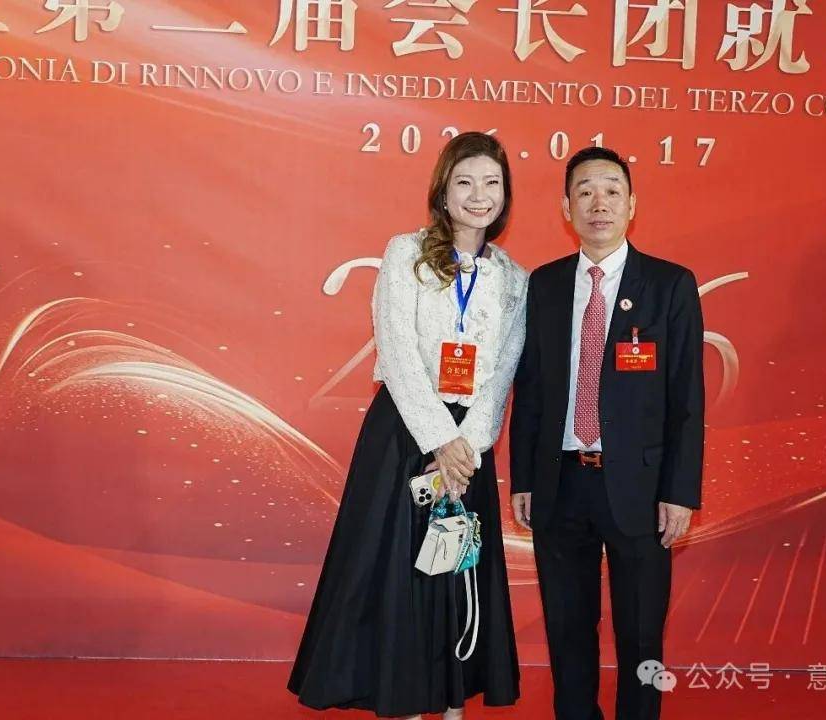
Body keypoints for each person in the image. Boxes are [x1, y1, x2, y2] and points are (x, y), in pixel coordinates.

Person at [288, 132, 526, 720]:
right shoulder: (406, 253)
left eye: (491, 183)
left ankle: (451, 697)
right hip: (406, 431)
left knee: (457, 561)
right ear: (443, 192)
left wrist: (468, 444)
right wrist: (440, 439)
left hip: (471, 443)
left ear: (505, 196)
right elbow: (395, 351)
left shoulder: (513, 277)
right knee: (402, 567)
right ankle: (407, 697)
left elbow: (503, 370)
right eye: (465, 182)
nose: (479, 195)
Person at [509, 146, 704, 720]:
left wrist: (679, 492)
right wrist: (524, 478)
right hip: (560, 482)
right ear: (566, 207)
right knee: (568, 631)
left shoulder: (669, 285)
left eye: (612, 191)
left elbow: (686, 400)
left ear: (632, 205)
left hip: (641, 490)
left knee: (642, 635)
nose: (599, 203)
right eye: (586, 192)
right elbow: (531, 389)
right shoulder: (544, 285)